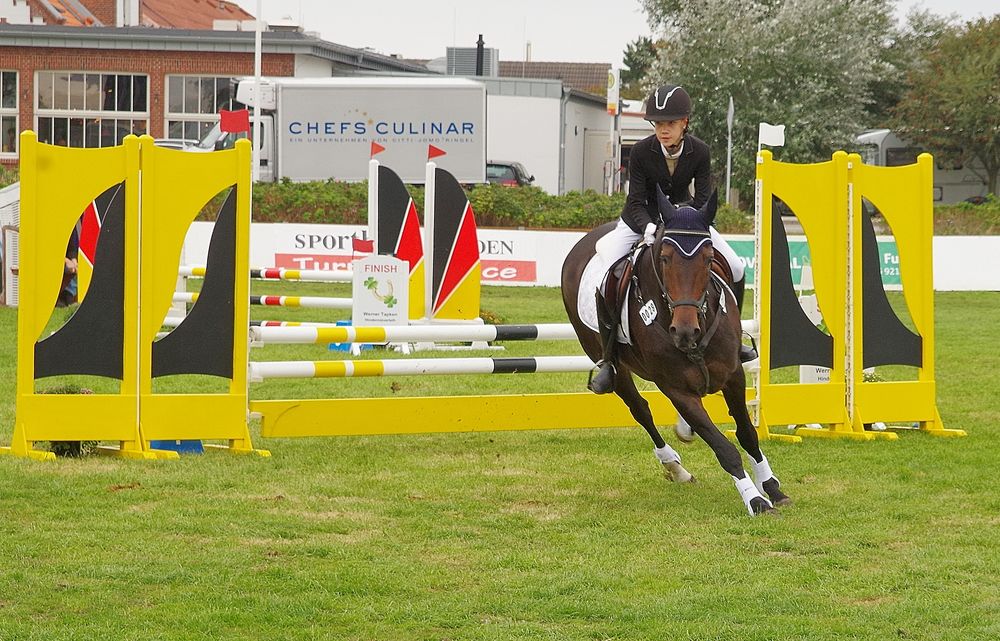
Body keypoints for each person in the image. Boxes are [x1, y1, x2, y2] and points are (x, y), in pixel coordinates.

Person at [588, 84, 754, 394]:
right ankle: (609, 360)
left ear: (684, 124)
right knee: (608, 271)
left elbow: (704, 200)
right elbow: (636, 200)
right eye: (659, 124)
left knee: (735, 265)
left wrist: (684, 223)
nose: (663, 130)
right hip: (640, 221)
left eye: (670, 124)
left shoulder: (700, 151)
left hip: (687, 223)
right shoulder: (640, 152)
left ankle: (737, 338)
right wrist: (651, 228)